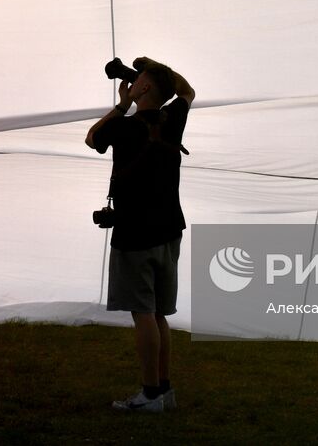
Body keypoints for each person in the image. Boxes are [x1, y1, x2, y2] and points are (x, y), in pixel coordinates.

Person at [85, 56, 194, 413]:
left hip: (135, 234)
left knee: (143, 313)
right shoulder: (173, 119)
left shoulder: (126, 126)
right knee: (159, 313)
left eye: (139, 79)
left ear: (144, 87)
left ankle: (149, 394)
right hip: (169, 230)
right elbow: (186, 90)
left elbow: (92, 138)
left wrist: (123, 102)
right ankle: (163, 390)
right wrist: (150, 68)